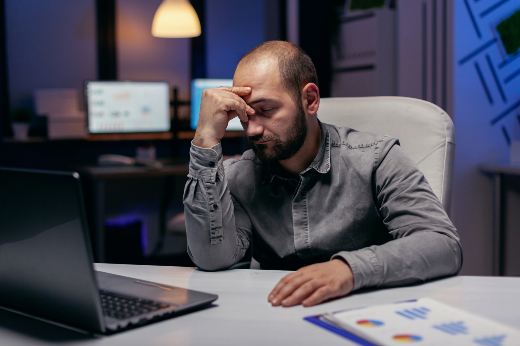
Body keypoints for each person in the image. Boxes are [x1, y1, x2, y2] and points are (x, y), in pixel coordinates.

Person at [183, 41, 462, 308]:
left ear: (310, 100)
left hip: (369, 313)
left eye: (266, 110)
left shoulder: (376, 158)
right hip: (276, 316)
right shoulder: (238, 176)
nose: (252, 130)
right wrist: (205, 140)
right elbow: (213, 259)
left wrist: (348, 270)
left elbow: (442, 244)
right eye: (245, 115)